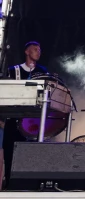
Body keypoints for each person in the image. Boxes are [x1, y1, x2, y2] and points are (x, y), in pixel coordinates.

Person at [3, 42, 49, 184]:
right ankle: (10, 184)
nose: (38, 52)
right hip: (14, 120)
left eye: (40, 50)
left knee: (30, 154)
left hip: (33, 121)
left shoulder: (42, 71)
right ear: (27, 52)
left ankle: (29, 185)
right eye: (35, 49)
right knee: (10, 153)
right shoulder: (14, 71)